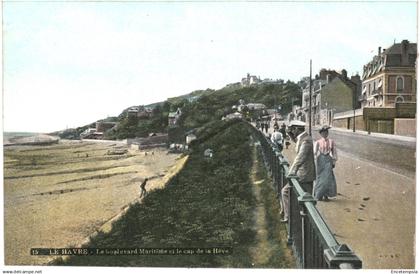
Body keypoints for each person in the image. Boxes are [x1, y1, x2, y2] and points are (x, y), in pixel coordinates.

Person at [280, 120, 316, 222]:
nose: (292, 131)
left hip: (304, 174)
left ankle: (289, 217)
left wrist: (291, 172)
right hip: (304, 174)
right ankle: (298, 218)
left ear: (296, 129)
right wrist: (289, 134)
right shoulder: (303, 138)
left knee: (286, 192)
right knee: (306, 200)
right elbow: (296, 142)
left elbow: (300, 157)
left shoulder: (307, 141)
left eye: (292, 129)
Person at [313, 125, 337, 201]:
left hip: (328, 160)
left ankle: (326, 195)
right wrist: (315, 159)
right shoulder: (318, 142)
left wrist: (333, 162)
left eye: (326, 132)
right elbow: (314, 152)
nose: (325, 134)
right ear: (321, 134)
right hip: (320, 161)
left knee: (328, 178)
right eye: (323, 133)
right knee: (320, 178)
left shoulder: (331, 142)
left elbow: (334, 152)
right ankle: (319, 195)